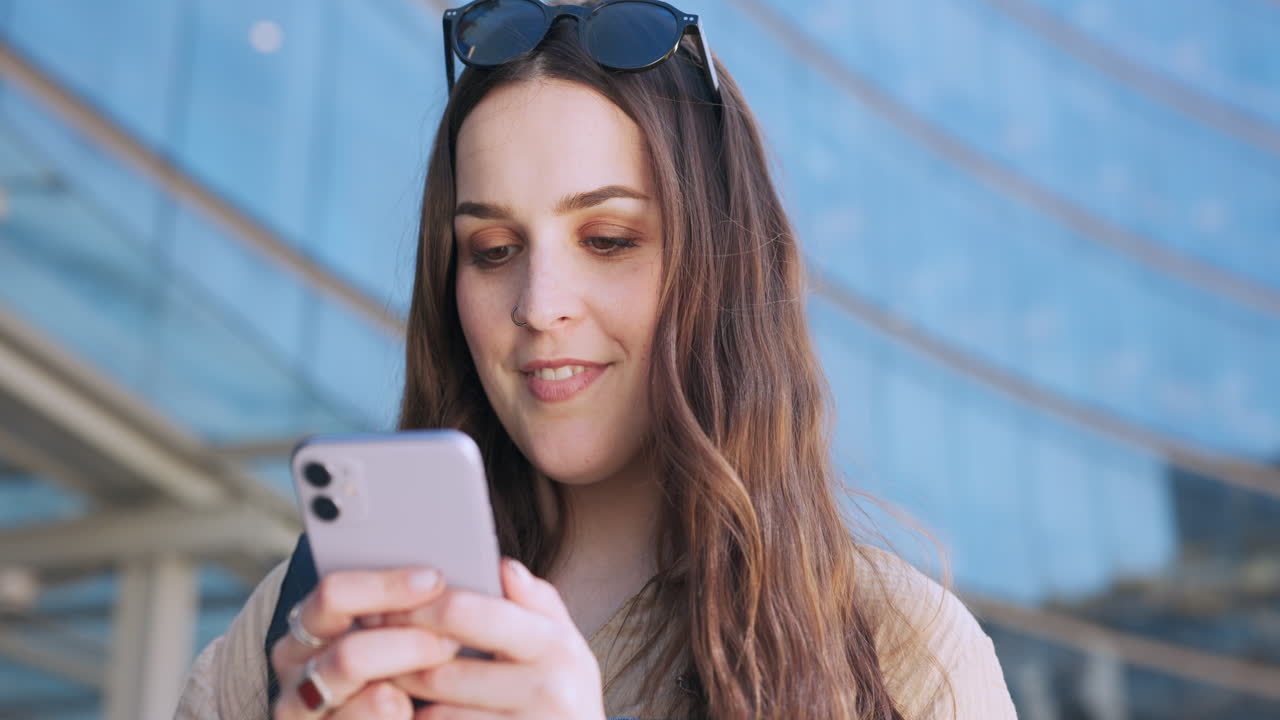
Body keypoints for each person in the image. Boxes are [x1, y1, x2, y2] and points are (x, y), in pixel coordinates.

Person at [176, 1, 1018, 718]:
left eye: (608, 240)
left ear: (719, 266)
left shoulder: (899, 653)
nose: (541, 306)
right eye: (495, 249)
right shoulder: (313, 620)